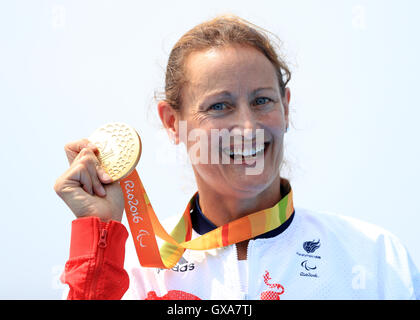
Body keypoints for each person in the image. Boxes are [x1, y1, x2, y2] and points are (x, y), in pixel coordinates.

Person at [54, 14, 420, 300]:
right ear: (172, 122)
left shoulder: (375, 259)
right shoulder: (131, 268)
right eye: (219, 106)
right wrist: (101, 235)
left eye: (262, 100)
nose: (248, 128)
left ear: (286, 108)